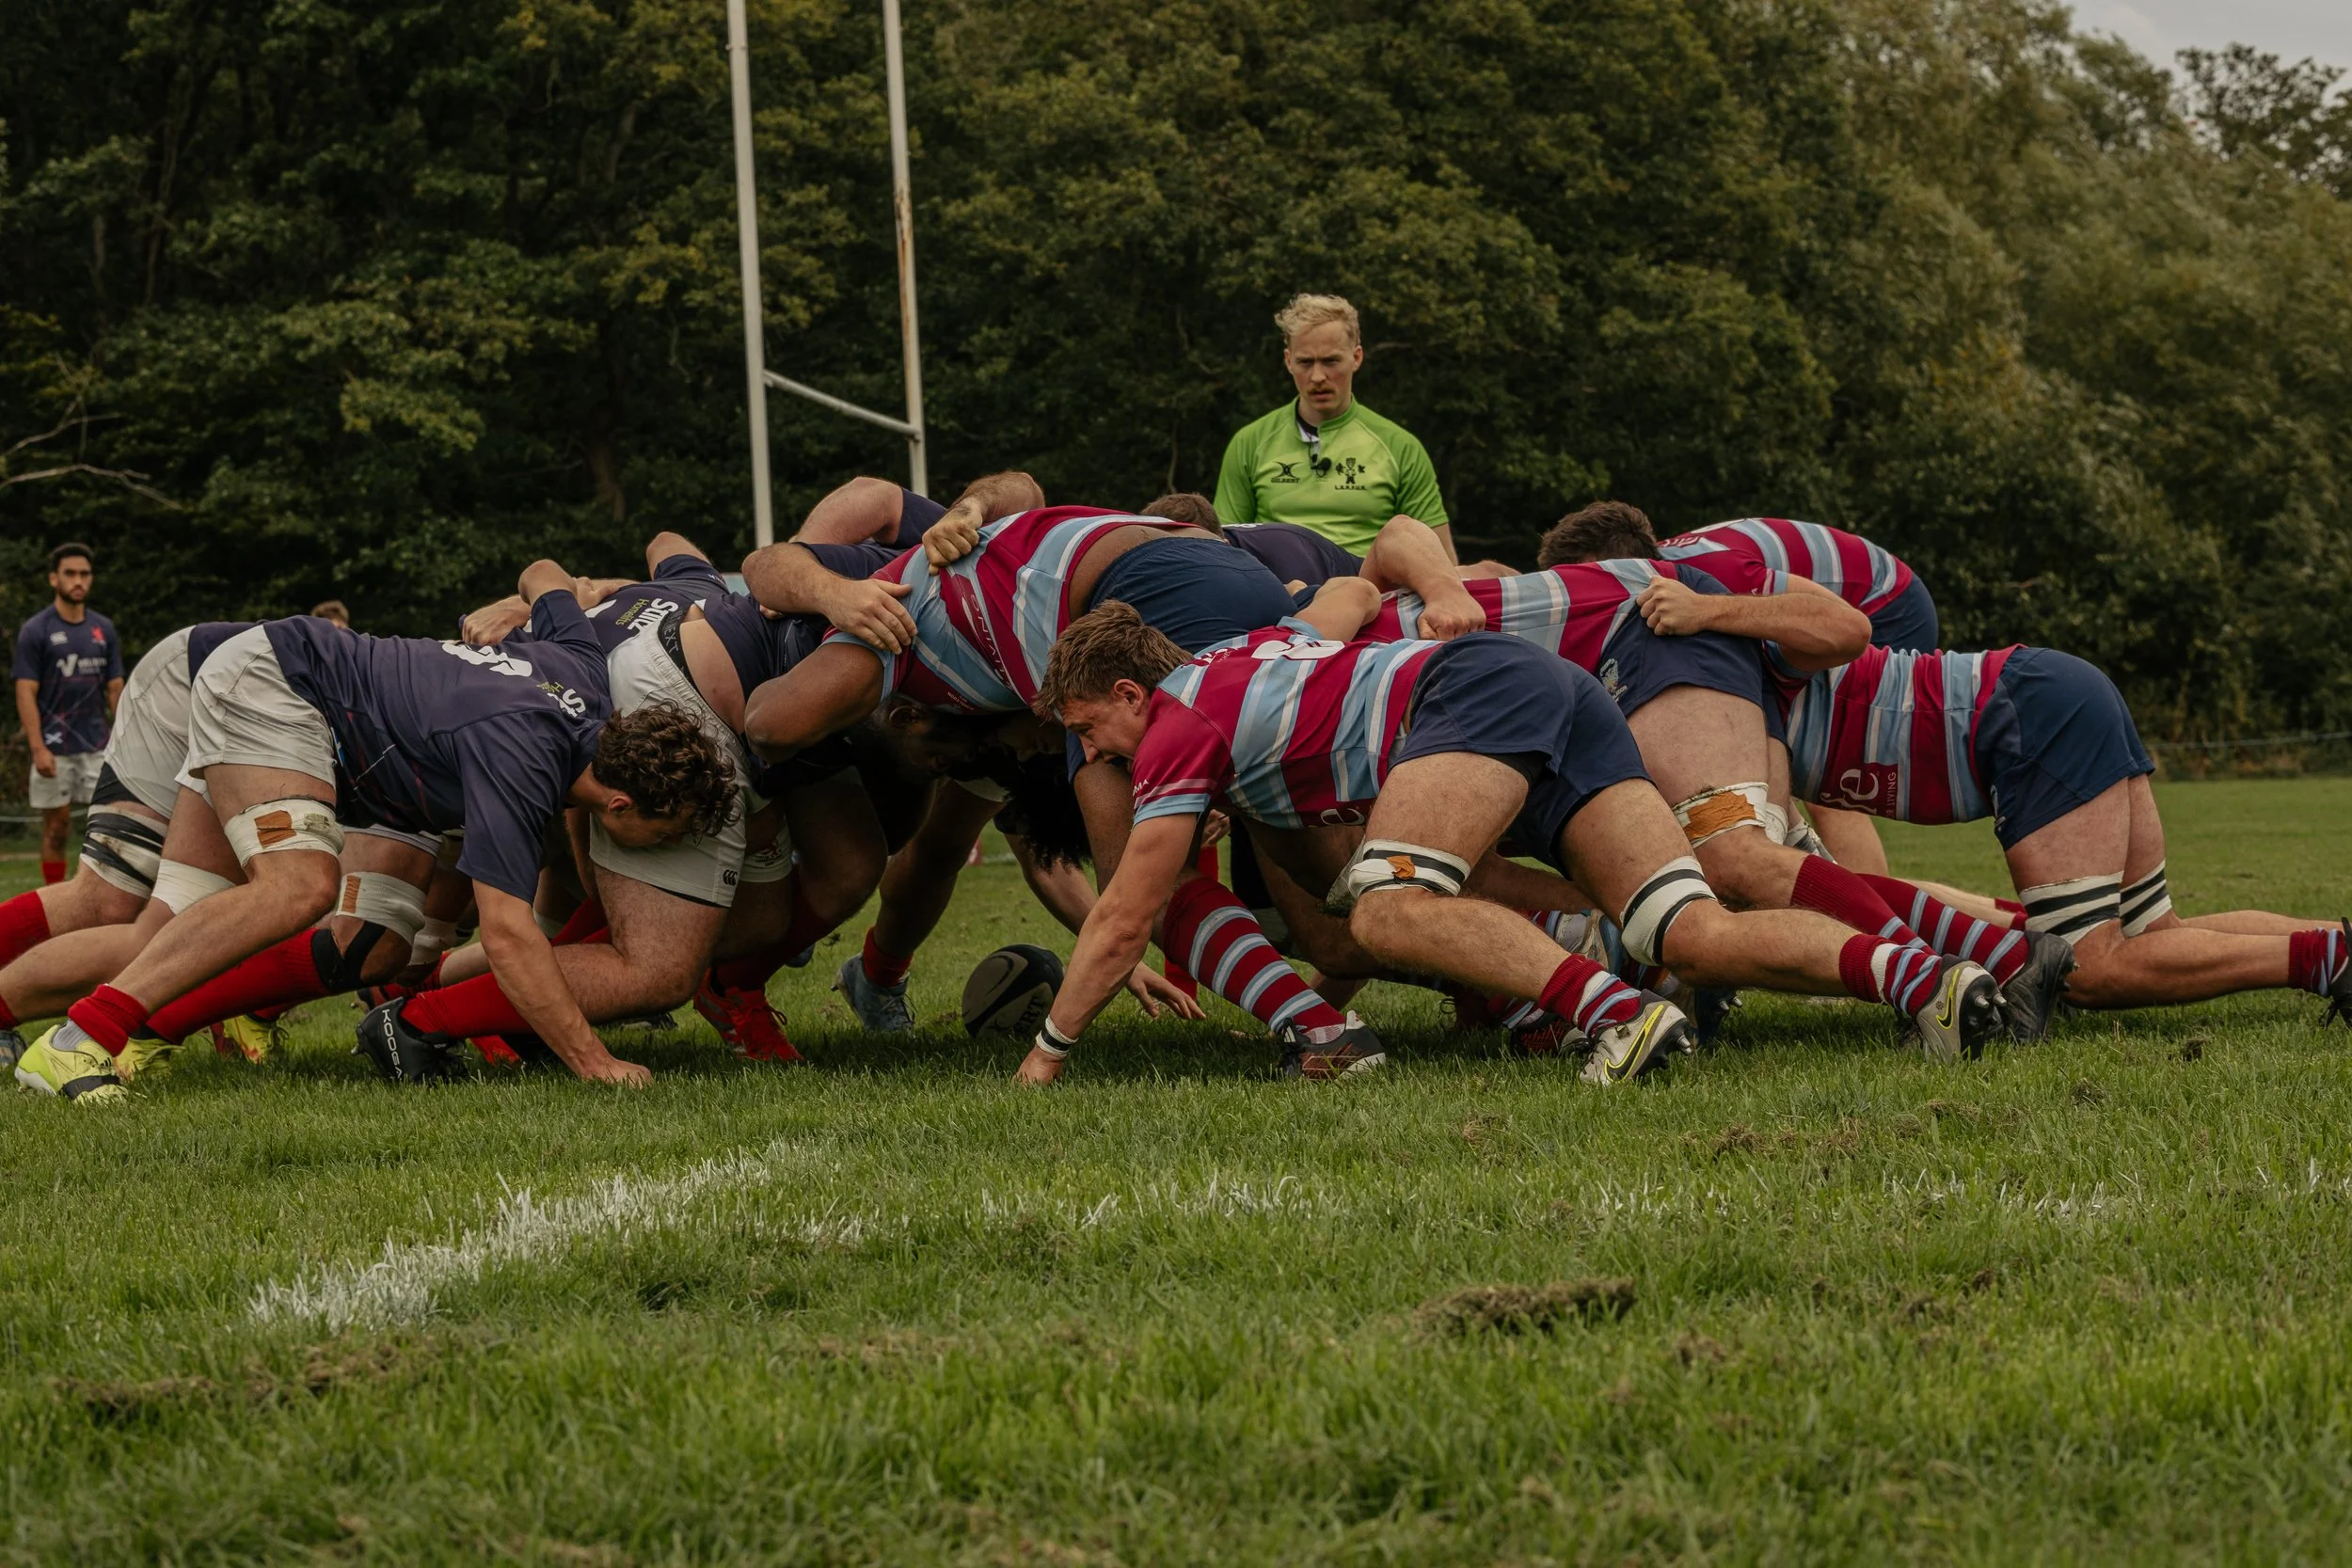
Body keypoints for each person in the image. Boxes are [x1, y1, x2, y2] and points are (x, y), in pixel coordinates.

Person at [1021, 594, 2003, 1084]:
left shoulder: (1176, 727)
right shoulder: (1242, 657)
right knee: (1685, 928)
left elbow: (1126, 912)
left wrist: (1048, 1052)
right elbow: (1342, 599)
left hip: (1468, 693)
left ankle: (1617, 1013)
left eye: (1087, 729)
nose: (1093, 753)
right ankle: (1930, 983)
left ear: (1128, 693)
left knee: (1389, 908)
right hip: (1539, 684)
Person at [11, 564, 735, 1105]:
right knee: (298, 887)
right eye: (663, 831)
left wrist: (535, 597)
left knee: (160, 934)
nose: (658, 848)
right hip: (278, 686)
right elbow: (510, 935)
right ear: (617, 801)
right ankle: (79, 1040)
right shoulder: (524, 760)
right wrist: (592, 1060)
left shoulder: (584, 677)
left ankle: (103, 1031)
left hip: (290, 689)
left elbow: (545, 575)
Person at [740, 499, 1379, 1065]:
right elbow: (1017, 486)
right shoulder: (981, 603)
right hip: (1226, 575)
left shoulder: (883, 631)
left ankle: (1320, 1027)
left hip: (1144, 602)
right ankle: (1464, 983)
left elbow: (771, 717)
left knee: (1146, 885)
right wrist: (968, 505)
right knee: (1331, 894)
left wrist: (837, 604)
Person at [1781, 641, 2352, 1017]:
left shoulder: (1727, 702)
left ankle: (2328, 959)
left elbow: (1772, 862)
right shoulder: (1746, 687)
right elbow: (1856, 871)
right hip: (2050, 689)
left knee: (2087, 968)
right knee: (2152, 930)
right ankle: (2336, 940)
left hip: (2026, 716)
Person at [1538, 502, 1936, 873]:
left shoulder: (1714, 573)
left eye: (1588, 587)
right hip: (1858, 603)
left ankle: (1866, 915)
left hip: (1884, 605)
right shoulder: (1671, 576)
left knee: (1818, 777)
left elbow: (1841, 623)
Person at [1213, 294, 1453, 560]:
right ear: (1288, 360)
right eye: (1306, 362)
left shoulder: (1400, 447)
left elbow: (1441, 562)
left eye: (1330, 361)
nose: (1317, 377)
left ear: (1357, 357)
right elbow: (1222, 546)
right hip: (1279, 593)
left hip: (1371, 593)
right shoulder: (1250, 442)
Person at [12, 543, 124, 885]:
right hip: (53, 747)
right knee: (57, 828)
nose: (79, 581)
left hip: (97, 745)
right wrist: (37, 748)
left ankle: (100, 896)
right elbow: (25, 691)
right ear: (53, 579)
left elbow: (116, 688)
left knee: (108, 826)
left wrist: (124, 740)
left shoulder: (103, 629)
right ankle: (55, 899)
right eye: (70, 574)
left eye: (85, 574)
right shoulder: (36, 630)